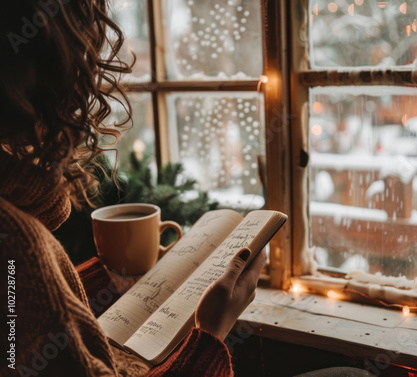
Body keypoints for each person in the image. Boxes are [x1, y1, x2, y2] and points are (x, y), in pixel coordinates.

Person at [0, 1, 264, 376]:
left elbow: (35, 328)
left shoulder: (18, 226)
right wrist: (211, 334)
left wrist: (106, 282)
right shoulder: (16, 242)